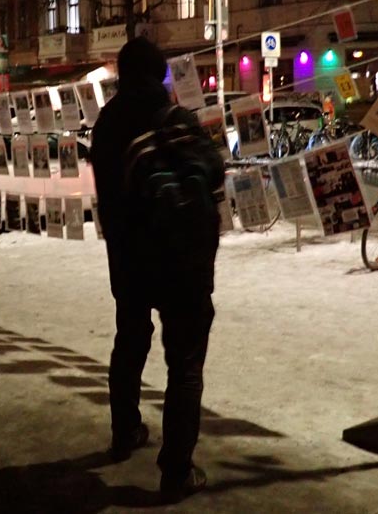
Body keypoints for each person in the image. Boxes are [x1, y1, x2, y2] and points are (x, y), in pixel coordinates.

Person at [91, 37, 224, 503]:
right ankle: (176, 471)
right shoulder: (176, 118)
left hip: (130, 259)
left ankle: (126, 430)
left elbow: (107, 196)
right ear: (161, 74)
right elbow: (215, 173)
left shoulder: (107, 124)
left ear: (122, 75)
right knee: (184, 364)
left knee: (129, 340)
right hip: (183, 263)